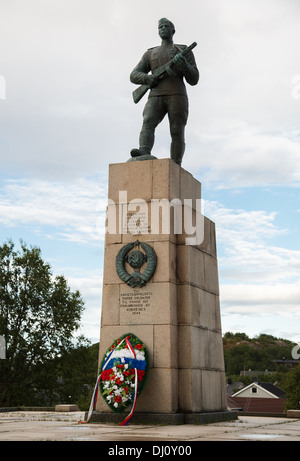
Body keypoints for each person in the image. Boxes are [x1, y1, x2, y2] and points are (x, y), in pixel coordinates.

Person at [130, 18, 199, 166]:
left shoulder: (183, 49)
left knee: (176, 130)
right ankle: (144, 150)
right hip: (156, 94)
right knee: (148, 121)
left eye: (166, 26)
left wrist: (184, 65)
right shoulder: (150, 53)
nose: (162, 28)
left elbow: (194, 78)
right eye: (160, 27)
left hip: (176, 94)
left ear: (173, 31)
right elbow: (134, 75)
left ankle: (176, 163)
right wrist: (148, 79)